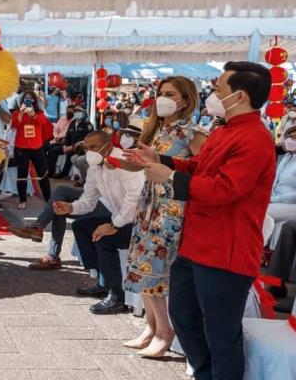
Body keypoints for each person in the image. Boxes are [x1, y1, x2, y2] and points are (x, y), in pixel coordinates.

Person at [125, 61, 275, 380]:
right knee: (184, 316)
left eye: (219, 88)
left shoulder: (255, 138)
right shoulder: (224, 130)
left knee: (221, 334)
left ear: (239, 96)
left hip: (226, 251)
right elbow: (201, 167)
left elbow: (225, 189)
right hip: (196, 245)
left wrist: (170, 177)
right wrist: (164, 161)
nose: (213, 93)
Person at [121, 76, 207, 358]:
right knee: (140, 263)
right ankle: (152, 326)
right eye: (161, 92)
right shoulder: (154, 127)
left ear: (185, 100)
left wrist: (168, 170)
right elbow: (143, 166)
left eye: (170, 94)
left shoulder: (193, 133)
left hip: (171, 207)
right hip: (149, 202)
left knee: (155, 266)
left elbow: (202, 170)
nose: (163, 98)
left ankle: (164, 331)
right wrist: (129, 160)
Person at [53, 131, 145, 313]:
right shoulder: (95, 168)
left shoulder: (124, 162)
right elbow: (88, 200)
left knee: (105, 238)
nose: (89, 152)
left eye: (94, 147)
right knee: (80, 227)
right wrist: (70, 208)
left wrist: (114, 225)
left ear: (108, 146)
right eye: (86, 148)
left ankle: (117, 297)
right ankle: (104, 282)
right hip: (120, 218)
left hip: (140, 222)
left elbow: (135, 198)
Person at [11, 92, 53, 208]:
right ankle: (22, 200)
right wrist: (21, 113)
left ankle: (48, 199)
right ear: (22, 100)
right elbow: (14, 125)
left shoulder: (39, 113)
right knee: (22, 175)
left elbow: (42, 122)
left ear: (34, 101)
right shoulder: (16, 112)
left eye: (30, 99)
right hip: (21, 147)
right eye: (26, 98)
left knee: (43, 173)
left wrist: (33, 114)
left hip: (37, 147)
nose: (28, 100)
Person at [50, 107, 93, 179]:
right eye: (76, 112)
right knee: (54, 150)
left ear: (83, 113)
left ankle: (64, 173)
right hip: (70, 145)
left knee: (70, 153)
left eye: (79, 112)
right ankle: (50, 171)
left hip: (80, 147)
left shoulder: (87, 124)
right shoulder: (72, 124)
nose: (77, 113)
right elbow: (68, 136)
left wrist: (73, 146)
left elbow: (87, 138)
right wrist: (65, 145)